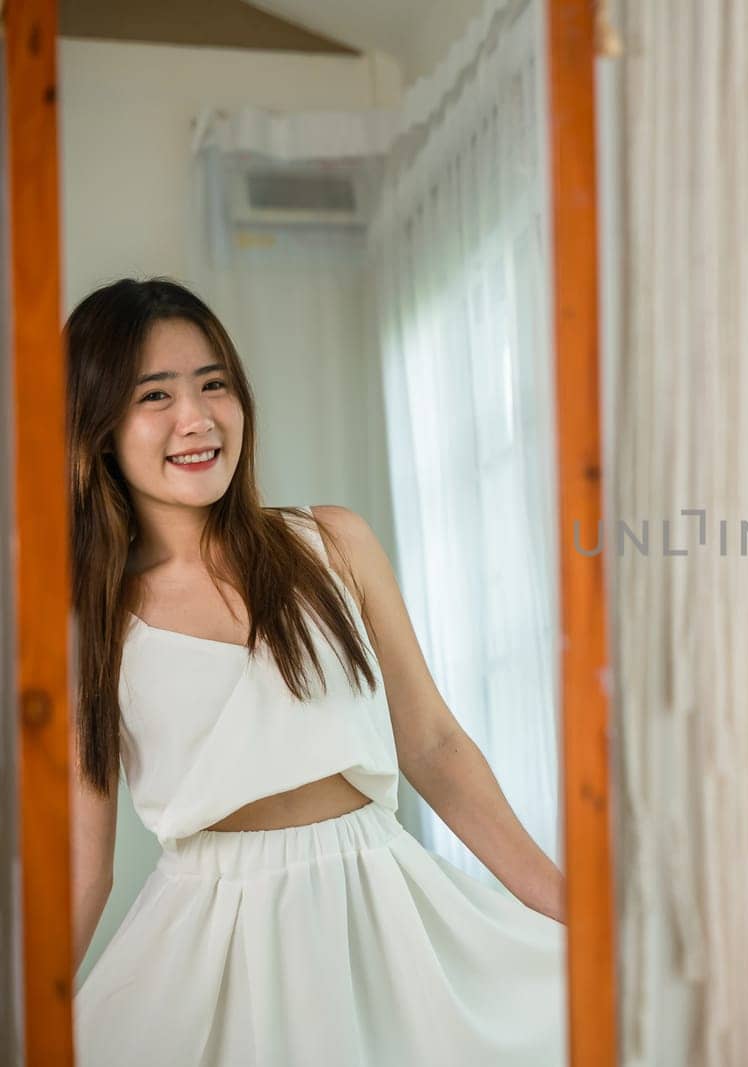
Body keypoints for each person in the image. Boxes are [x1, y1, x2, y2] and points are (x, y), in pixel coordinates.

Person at [66, 277, 567, 1065]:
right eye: (154, 395)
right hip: (211, 950)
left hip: (385, 909)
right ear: (100, 427)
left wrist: (570, 905)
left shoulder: (331, 545)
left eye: (214, 383)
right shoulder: (92, 621)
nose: (195, 418)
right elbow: (82, 864)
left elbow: (433, 744)